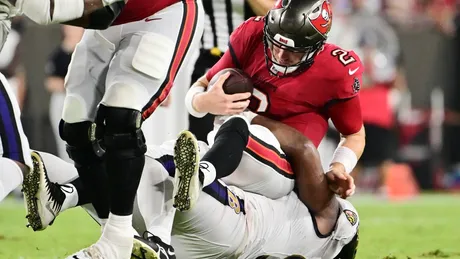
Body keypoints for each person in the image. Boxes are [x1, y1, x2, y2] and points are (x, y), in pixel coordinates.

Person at [24, 113, 359, 258]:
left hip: (233, 226)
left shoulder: (333, 232)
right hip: (208, 249)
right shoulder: (299, 241)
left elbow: (304, 150)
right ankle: (68, 197)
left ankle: (68, 196)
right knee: (122, 197)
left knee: (180, 163)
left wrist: (254, 115)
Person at [179, 0, 365, 211]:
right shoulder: (252, 34)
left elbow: (354, 134)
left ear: (316, 46)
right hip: (226, 149)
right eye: (275, 44)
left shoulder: (335, 71)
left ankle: (200, 176)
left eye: (292, 51)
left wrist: (339, 167)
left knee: (238, 124)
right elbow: (203, 84)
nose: (280, 55)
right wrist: (202, 102)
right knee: (165, 162)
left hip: (284, 163)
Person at [45, 25, 83, 162]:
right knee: (64, 141)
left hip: (85, 101)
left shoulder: (89, 50)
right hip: (63, 100)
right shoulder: (59, 53)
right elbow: (50, 82)